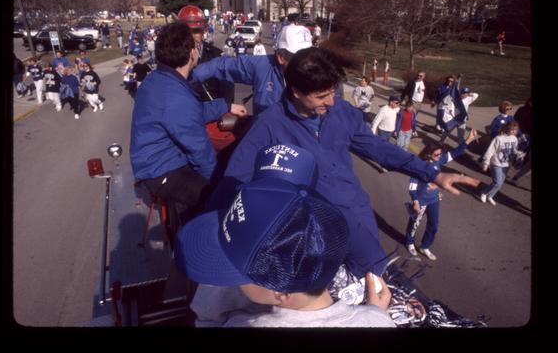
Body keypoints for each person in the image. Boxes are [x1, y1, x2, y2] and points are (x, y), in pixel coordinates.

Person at [206, 47, 480, 302]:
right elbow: (235, 183)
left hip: (356, 217)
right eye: (322, 96)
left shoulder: (341, 111)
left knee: (382, 290)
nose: (332, 101)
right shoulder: (269, 126)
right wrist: (210, 237)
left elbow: (378, 148)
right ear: (297, 92)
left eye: (333, 91)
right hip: (311, 234)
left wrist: (430, 172)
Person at [177, 143, 395, 328]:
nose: (232, 284)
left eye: (237, 274)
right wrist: (375, 314)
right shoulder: (377, 322)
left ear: (280, 293)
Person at [129, 21, 247, 239]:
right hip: (161, 170)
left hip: (157, 159)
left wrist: (225, 106)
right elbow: (200, 153)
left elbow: (189, 114)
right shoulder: (176, 96)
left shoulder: (160, 80)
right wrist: (218, 186)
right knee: (225, 197)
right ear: (192, 53)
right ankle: (197, 249)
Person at [190, 23, 313, 117]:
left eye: (311, 55)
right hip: (265, 139)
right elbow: (220, 65)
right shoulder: (262, 65)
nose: (309, 63)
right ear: (281, 57)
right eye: (301, 57)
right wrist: (184, 80)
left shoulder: (320, 75)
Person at [405, 129, 479, 260]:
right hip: (421, 201)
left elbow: (455, 153)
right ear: (428, 154)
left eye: (440, 154)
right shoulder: (419, 165)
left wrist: (468, 140)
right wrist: (415, 201)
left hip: (434, 199)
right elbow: (412, 186)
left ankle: (425, 246)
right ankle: (409, 242)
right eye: (436, 155)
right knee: (415, 223)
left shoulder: (438, 161)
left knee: (433, 225)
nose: (439, 156)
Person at [179, 5, 235, 106]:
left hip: (212, 116)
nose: (191, 36)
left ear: (203, 31)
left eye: (196, 31)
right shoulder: (171, 58)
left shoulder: (216, 56)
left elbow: (228, 91)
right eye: (186, 32)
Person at [480, 121, 524, 206]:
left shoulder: (514, 139)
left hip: (507, 164)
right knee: (497, 182)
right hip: (496, 163)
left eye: (516, 130)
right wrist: (486, 163)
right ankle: (484, 192)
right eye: (512, 130)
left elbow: (513, 150)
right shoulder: (499, 138)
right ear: (508, 129)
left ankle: (490, 196)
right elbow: (490, 151)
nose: (514, 132)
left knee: (500, 183)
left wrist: (519, 153)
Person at [510, 97, 532, 184]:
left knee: (523, 156)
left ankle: (516, 176)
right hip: (520, 133)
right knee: (516, 151)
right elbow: (515, 120)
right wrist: (518, 132)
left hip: (528, 135)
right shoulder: (522, 109)